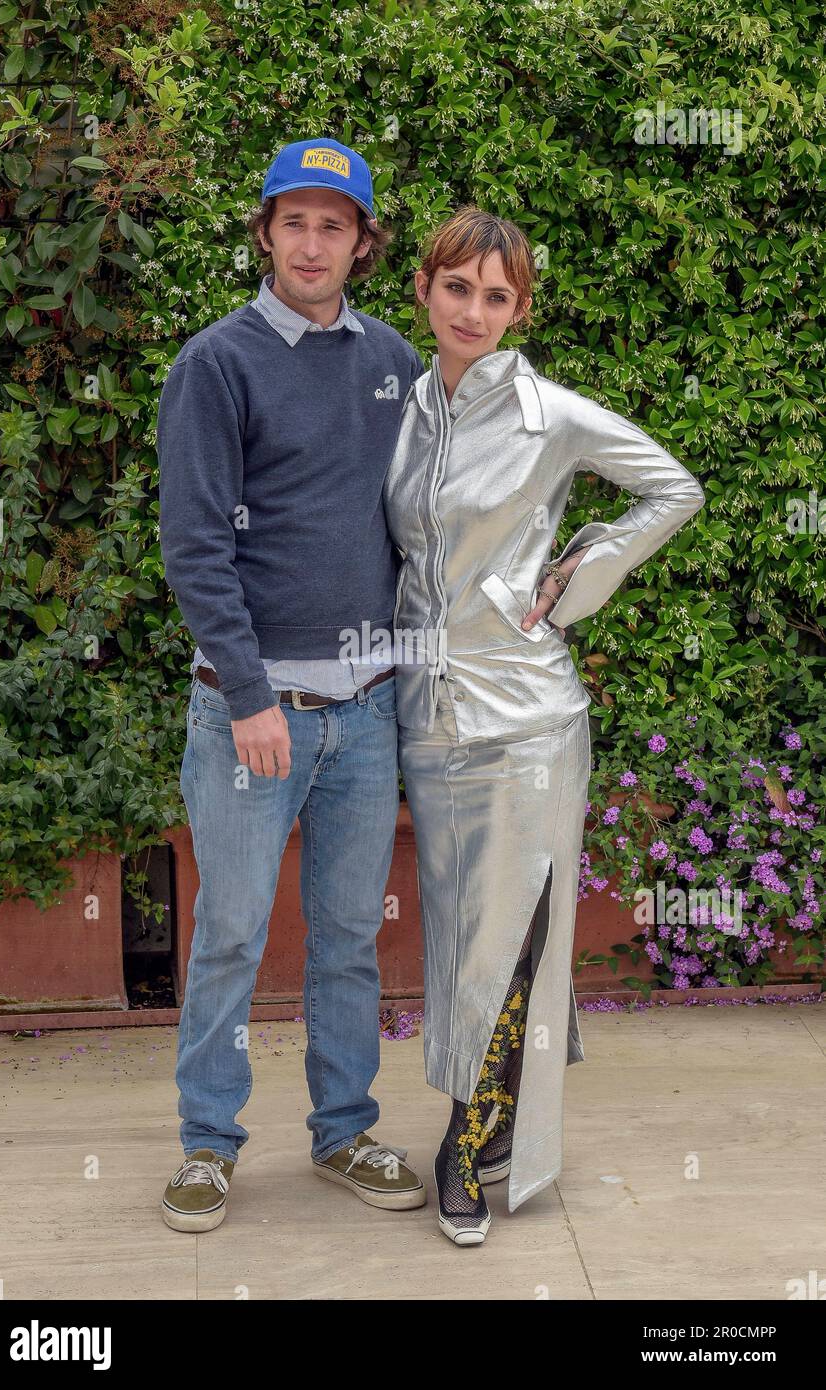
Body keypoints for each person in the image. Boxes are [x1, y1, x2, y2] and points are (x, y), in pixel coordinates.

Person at [382, 206, 706, 1245]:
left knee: (508, 941)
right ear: (425, 291)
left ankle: (468, 1141)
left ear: (519, 308)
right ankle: (492, 1115)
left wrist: (584, 568)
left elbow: (672, 486)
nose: (473, 309)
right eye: (456, 287)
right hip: (428, 720)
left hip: (527, 719)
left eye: (496, 295)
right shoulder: (402, 407)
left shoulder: (551, 412)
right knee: (454, 935)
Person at [156, 138, 427, 1232]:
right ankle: (207, 1145)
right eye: (293, 221)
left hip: (365, 713)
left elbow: (423, 523)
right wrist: (254, 693)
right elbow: (193, 548)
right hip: (248, 714)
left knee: (350, 934)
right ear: (265, 233)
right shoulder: (215, 364)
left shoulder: (394, 358)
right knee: (228, 931)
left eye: (335, 224)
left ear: (361, 243)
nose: (312, 242)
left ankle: (344, 1129)